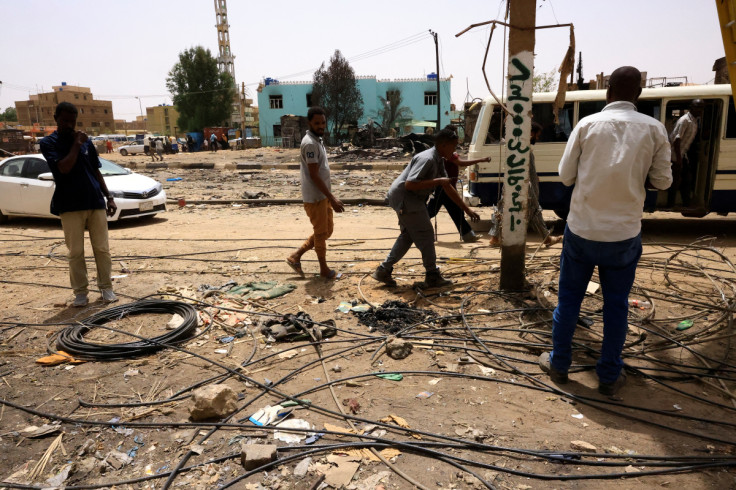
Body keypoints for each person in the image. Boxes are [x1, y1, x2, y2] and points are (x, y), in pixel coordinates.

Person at [538, 66, 672, 396]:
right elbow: (663, 182)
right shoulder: (655, 130)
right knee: (616, 306)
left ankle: (559, 364)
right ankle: (609, 375)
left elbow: (565, 176)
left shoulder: (586, 125)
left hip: (582, 230)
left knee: (568, 301)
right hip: (623, 235)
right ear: (638, 94)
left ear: (607, 91)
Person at [372, 128, 480, 288]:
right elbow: (410, 184)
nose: (455, 150)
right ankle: (432, 275)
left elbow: (448, 187)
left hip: (409, 198)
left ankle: (383, 270)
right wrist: (437, 182)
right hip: (406, 198)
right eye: (453, 146)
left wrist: (467, 209)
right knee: (427, 234)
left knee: (408, 236)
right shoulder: (428, 159)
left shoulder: (438, 159)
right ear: (443, 145)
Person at [39, 102, 118, 307]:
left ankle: (106, 288)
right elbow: (63, 168)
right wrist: (76, 144)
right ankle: (81, 293)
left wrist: (108, 196)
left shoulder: (86, 142)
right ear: (56, 118)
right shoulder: (50, 143)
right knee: (75, 252)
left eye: (72, 122)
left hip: (95, 201)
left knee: (102, 248)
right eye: (64, 121)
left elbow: (96, 170)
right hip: (69, 204)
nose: (68, 125)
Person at [286, 107, 344, 279]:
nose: (321, 126)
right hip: (315, 197)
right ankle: (324, 270)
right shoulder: (310, 143)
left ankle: (296, 256)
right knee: (320, 233)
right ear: (309, 123)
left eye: (323, 123)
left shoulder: (317, 140)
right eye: (317, 123)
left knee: (327, 231)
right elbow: (313, 174)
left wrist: (329, 196)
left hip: (322, 195)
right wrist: (332, 198)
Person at [489, 122, 561, 248]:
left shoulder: (517, 146)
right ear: (531, 134)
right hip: (526, 186)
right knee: (534, 209)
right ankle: (546, 238)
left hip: (515, 184)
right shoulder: (524, 149)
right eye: (537, 135)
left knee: (503, 207)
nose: (537, 138)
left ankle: (495, 237)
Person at [426, 125, 491, 243]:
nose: (456, 146)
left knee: (454, 211)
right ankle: (412, 228)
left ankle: (468, 235)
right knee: (434, 211)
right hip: (444, 185)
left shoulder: (444, 152)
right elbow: (460, 163)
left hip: (447, 184)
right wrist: (481, 160)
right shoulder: (446, 153)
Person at [667, 99, 704, 208]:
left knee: (686, 180)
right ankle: (670, 205)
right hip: (675, 155)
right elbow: (676, 140)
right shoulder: (685, 120)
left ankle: (686, 203)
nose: (700, 110)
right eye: (698, 107)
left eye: (702, 108)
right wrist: (678, 159)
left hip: (683, 154)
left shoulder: (694, 121)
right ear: (691, 107)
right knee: (675, 181)